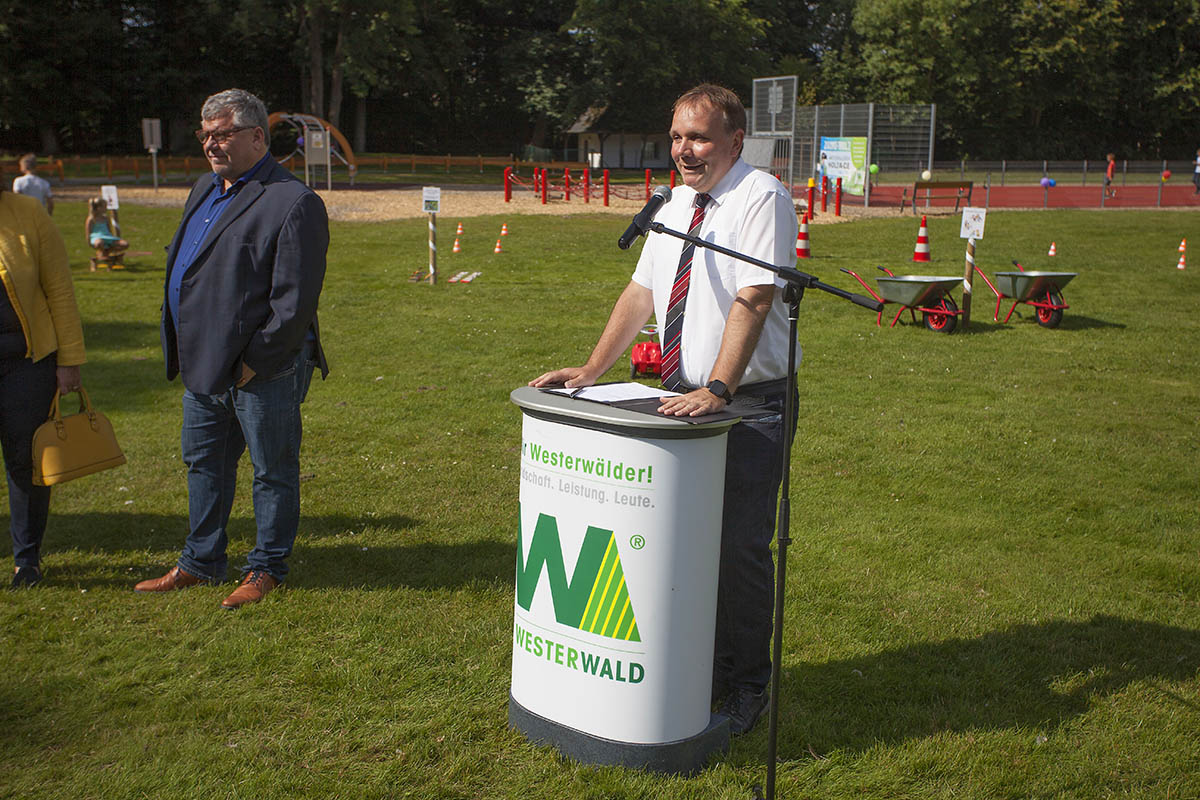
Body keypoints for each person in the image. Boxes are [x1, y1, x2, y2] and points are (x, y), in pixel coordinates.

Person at [530, 84, 798, 736]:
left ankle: (743, 687)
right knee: (685, 549)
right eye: (677, 137)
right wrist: (592, 369)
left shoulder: (761, 197)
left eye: (699, 137)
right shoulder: (674, 203)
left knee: (736, 549)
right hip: (680, 402)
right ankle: (693, 669)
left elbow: (754, 298)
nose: (685, 150)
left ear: (735, 141)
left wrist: (721, 388)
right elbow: (641, 291)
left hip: (747, 405)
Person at [135, 88, 330, 610]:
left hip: (258, 370)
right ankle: (200, 562)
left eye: (222, 134)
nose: (211, 145)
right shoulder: (205, 187)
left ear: (257, 137)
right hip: (204, 363)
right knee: (204, 464)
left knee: (272, 470)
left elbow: (294, 303)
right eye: (205, 135)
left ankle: (266, 567)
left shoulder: (293, 201)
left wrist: (252, 363)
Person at [0, 183, 85, 588]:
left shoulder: (29, 213)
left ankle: (27, 560)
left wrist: (69, 360)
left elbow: (61, 292)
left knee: (26, 463)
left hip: (27, 365)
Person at [84, 197, 129, 270]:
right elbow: (88, 233)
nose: (106, 209)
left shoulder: (106, 218)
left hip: (107, 237)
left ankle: (107, 252)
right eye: (104, 207)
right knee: (100, 242)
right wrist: (89, 243)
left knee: (125, 244)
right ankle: (102, 253)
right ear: (99, 208)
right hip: (96, 238)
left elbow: (109, 231)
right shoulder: (91, 219)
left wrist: (113, 239)